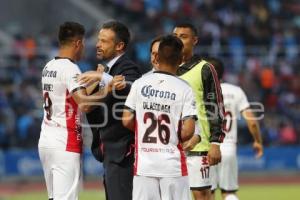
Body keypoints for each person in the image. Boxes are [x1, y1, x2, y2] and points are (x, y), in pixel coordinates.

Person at [38, 21, 125, 200]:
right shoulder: (70, 68)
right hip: (66, 141)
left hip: (46, 139)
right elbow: (84, 104)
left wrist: (95, 78)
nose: (85, 47)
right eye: (84, 43)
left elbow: (68, 94)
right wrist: (107, 89)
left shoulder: (49, 66)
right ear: (78, 43)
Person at [122, 35, 196, 200]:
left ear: (157, 56)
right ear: (181, 59)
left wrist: (142, 130)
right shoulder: (184, 89)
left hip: (144, 166)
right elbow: (188, 131)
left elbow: (126, 119)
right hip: (173, 166)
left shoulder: (139, 84)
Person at [84, 21, 141, 200]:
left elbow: (134, 86)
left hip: (122, 151)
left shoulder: (127, 67)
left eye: (104, 41)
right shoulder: (108, 69)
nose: (97, 44)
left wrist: (102, 76)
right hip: (111, 151)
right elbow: (87, 105)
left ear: (119, 46)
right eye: (98, 40)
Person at [173, 23, 225, 200]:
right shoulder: (164, 69)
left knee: (201, 195)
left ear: (195, 41)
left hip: (198, 146)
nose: (177, 40)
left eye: (183, 36)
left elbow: (215, 106)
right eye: (175, 35)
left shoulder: (204, 68)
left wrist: (215, 143)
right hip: (169, 146)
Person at [207, 57, 264, 200]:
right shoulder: (236, 91)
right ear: (223, 73)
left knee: (208, 194)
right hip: (229, 147)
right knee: (229, 193)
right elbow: (251, 121)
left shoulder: (201, 91)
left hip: (207, 149)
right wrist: (258, 141)